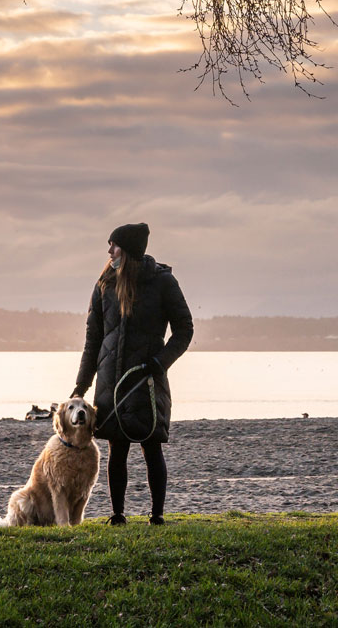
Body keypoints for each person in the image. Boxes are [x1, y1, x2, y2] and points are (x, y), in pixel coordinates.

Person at [73, 223, 194, 526]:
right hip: (110, 381)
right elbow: (93, 339)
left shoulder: (163, 282)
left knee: (151, 445)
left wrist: (161, 361)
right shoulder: (104, 284)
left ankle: (157, 515)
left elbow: (184, 329)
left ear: (128, 250)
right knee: (117, 448)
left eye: (114, 245)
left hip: (147, 378)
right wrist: (81, 386)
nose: (109, 251)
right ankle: (117, 514)